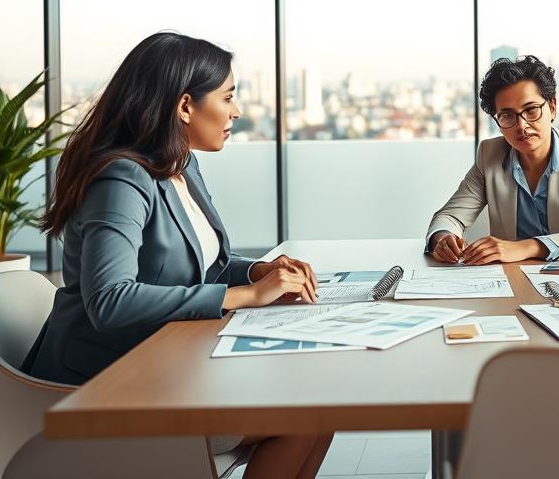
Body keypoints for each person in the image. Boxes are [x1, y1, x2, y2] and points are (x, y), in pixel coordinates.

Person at [23, 32, 331, 478]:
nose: (237, 111)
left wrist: (261, 272)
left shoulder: (179, 163)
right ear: (185, 106)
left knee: (322, 405)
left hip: (169, 364)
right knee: (307, 416)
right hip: (111, 382)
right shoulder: (121, 180)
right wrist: (245, 297)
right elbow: (109, 300)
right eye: (228, 97)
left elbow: (209, 265)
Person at [426, 55, 559, 265]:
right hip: (509, 279)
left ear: (551, 107)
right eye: (507, 115)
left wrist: (525, 247)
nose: (522, 126)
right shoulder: (489, 155)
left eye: (531, 110)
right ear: (497, 121)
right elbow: (450, 216)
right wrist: (443, 238)